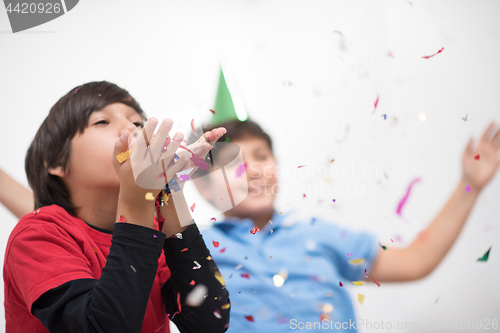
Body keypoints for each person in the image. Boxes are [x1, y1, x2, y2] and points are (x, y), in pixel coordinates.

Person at [3, 116, 500, 332]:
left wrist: (471, 185)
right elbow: (79, 229)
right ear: (197, 183)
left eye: (262, 156)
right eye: (230, 163)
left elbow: (415, 260)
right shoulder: (187, 249)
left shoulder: (321, 237)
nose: (253, 169)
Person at [2, 81, 230, 333]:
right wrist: (137, 201)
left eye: (138, 122)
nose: (132, 127)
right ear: (56, 161)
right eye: (102, 122)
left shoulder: (152, 230)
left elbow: (210, 323)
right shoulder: (38, 234)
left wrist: (170, 191)